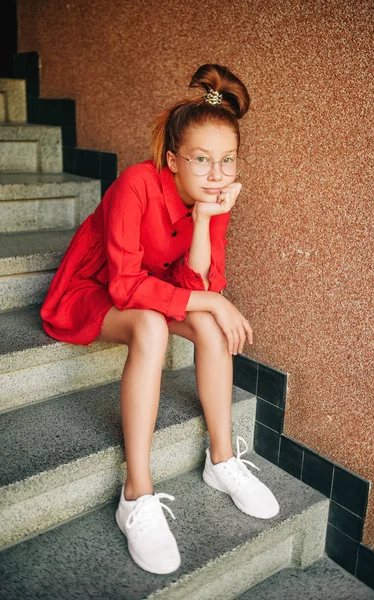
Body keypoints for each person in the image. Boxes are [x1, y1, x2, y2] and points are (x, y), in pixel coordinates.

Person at [40, 63, 280, 575]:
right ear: (173, 160)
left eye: (228, 161)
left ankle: (222, 462)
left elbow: (198, 286)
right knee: (152, 324)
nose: (217, 175)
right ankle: (137, 494)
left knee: (210, 325)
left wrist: (204, 221)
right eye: (201, 160)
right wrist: (213, 300)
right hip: (95, 288)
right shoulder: (136, 184)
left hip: (156, 288)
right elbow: (126, 286)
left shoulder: (214, 201)